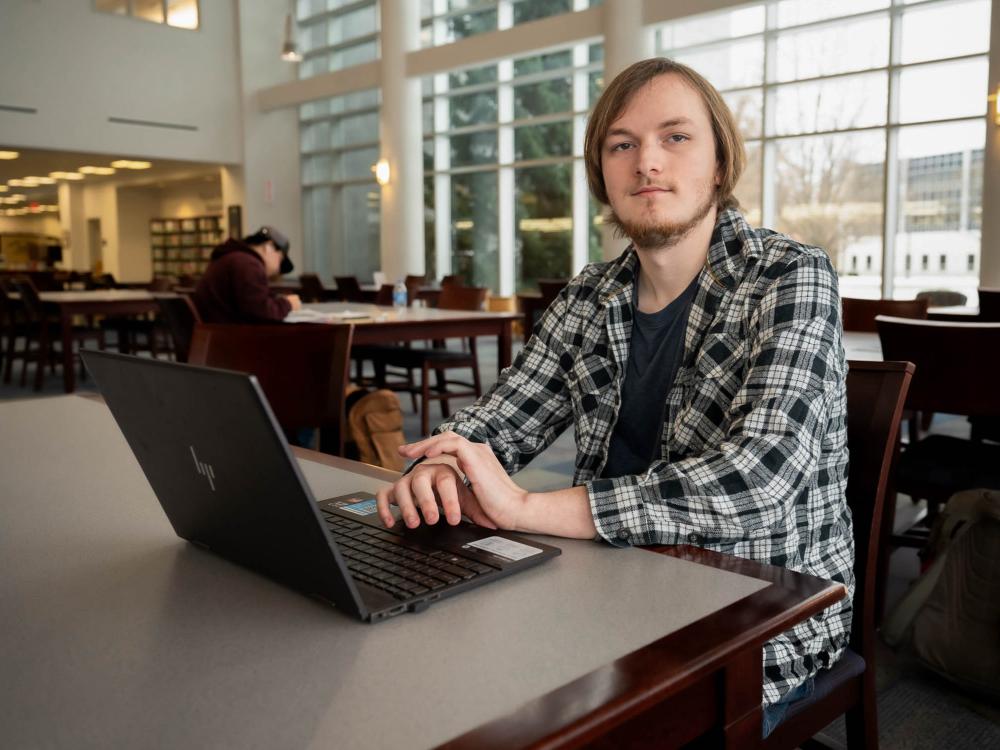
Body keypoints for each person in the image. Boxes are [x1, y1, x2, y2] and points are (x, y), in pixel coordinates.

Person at [375, 57, 851, 736]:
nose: (646, 162)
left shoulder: (791, 278)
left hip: (762, 610)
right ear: (604, 172)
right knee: (432, 681)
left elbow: (759, 479)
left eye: (675, 137)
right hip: (614, 584)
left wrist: (523, 505)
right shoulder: (591, 295)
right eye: (622, 144)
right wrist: (443, 464)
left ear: (719, 163)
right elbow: (498, 419)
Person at [193, 225, 302, 323]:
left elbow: (252, 303)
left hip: (216, 332)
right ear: (268, 247)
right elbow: (261, 313)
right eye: (280, 258)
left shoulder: (233, 258)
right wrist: (288, 304)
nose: (278, 268)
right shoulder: (248, 264)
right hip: (229, 337)